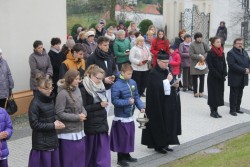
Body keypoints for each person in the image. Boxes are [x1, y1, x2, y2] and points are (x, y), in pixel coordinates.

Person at [141, 50, 181, 154]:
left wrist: (175, 85)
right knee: (159, 123)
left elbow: (169, 84)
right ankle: (158, 145)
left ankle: (166, 143)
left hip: (167, 103)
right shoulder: (153, 73)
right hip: (157, 104)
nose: (166, 64)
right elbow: (156, 88)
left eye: (168, 62)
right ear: (158, 61)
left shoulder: (167, 71)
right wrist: (167, 81)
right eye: (164, 62)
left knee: (167, 123)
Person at [110, 63, 145, 167]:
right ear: (122, 73)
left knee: (129, 136)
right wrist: (127, 102)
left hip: (129, 115)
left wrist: (141, 107)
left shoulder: (132, 82)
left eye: (131, 74)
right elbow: (115, 101)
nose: (130, 76)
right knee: (121, 137)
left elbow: (136, 96)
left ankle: (127, 155)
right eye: (128, 74)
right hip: (121, 116)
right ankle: (120, 158)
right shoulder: (116, 85)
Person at [28, 73, 65, 167]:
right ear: (39, 89)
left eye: (51, 88)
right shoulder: (35, 103)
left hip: (52, 139)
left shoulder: (50, 99)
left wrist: (57, 121)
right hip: (41, 144)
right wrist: (53, 125)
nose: (50, 91)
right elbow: (34, 124)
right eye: (47, 88)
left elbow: (52, 115)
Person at [55, 69, 87, 167]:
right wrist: (77, 117)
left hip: (79, 129)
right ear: (70, 79)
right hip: (68, 132)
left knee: (79, 159)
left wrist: (84, 113)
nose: (79, 81)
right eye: (77, 79)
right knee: (70, 160)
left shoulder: (77, 89)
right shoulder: (62, 94)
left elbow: (81, 105)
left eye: (79, 78)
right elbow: (59, 113)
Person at [80, 65, 111, 167]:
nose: (99, 81)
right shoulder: (84, 88)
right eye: (98, 78)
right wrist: (99, 105)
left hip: (101, 122)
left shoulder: (101, 86)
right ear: (91, 75)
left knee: (102, 153)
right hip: (90, 125)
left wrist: (103, 104)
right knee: (91, 153)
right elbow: (83, 108)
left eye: (101, 79)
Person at [87, 36, 117, 114]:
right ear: (99, 45)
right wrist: (103, 80)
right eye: (105, 45)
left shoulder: (110, 55)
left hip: (109, 88)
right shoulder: (92, 58)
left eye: (108, 45)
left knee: (107, 108)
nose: (107, 47)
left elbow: (114, 68)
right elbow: (89, 74)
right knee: (100, 111)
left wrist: (113, 76)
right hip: (97, 89)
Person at [227, 38, 250, 116]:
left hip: (243, 77)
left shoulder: (245, 52)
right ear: (234, 44)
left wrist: (248, 69)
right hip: (235, 77)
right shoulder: (231, 53)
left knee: (240, 93)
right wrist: (244, 70)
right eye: (238, 43)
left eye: (241, 43)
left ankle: (237, 108)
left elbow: (248, 62)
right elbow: (232, 65)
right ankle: (232, 110)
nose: (240, 45)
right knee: (234, 93)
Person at [206, 37, 227, 118]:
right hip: (213, 77)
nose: (219, 43)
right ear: (213, 43)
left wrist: (224, 73)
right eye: (217, 42)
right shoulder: (210, 53)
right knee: (213, 94)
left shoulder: (222, 52)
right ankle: (212, 111)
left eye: (220, 42)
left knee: (218, 93)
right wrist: (218, 75)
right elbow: (211, 67)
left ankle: (216, 110)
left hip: (221, 77)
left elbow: (224, 64)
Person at [189, 32, 209, 97]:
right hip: (195, 63)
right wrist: (199, 57)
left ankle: (201, 91)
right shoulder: (192, 44)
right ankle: (195, 92)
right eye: (198, 37)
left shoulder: (204, 43)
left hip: (202, 63)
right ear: (195, 38)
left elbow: (208, 51)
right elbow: (191, 54)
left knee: (202, 77)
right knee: (194, 78)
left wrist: (204, 56)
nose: (199, 39)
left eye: (200, 37)